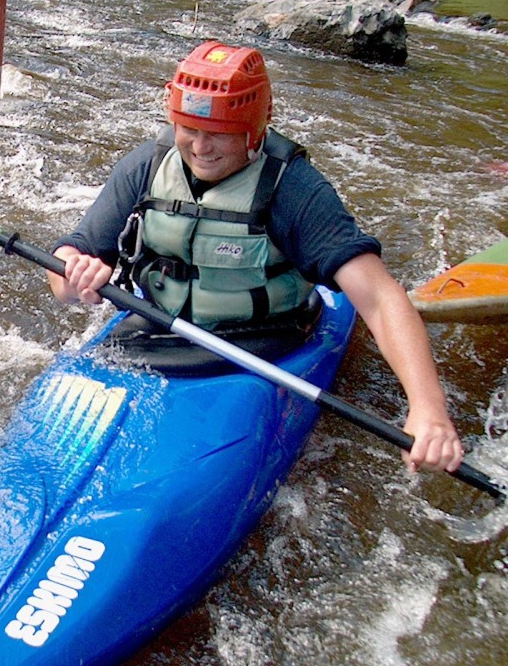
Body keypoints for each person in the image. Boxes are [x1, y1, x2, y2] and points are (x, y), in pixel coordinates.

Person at [47, 40, 463, 476]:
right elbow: (66, 266)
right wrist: (73, 275)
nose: (201, 147)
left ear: (255, 129)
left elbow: (379, 297)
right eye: (190, 129)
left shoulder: (295, 190)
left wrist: (429, 410)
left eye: (220, 132)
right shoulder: (145, 168)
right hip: (157, 328)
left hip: (261, 343)